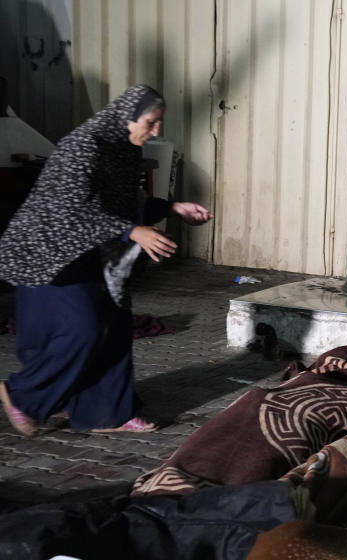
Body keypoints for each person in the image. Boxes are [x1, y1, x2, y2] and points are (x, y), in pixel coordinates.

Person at [0, 84, 212, 435]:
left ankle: (106, 412)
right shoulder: (82, 146)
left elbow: (127, 203)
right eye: (151, 121)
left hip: (92, 248)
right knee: (82, 329)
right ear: (128, 117)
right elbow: (70, 211)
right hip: (46, 251)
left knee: (115, 324)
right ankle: (23, 396)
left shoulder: (125, 149)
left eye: (160, 122)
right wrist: (133, 232)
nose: (157, 130)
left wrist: (172, 207)